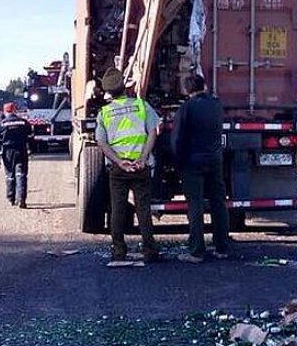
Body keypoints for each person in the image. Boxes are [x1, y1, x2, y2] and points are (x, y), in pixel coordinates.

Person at [96, 68, 160, 263]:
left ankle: (118, 250)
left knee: (118, 209)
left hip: (119, 168)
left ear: (108, 92)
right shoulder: (142, 106)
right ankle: (149, 250)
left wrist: (118, 161)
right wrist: (142, 158)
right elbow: (153, 132)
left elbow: (101, 142)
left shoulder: (104, 113)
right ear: (124, 87)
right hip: (141, 167)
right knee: (143, 209)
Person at [171, 74, 230, 263]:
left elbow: (178, 138)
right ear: (204, 86)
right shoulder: (216, 104)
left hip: (193, 162)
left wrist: (178, 162)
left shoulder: (186, 108)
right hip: (215, 160)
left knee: (195, 204)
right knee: (218, 202)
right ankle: (222, 247)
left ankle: (196, 251)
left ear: (187, 90)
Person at [0, 102, 33, 208]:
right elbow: (30, 137)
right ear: (15, 111)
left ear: (5, 112)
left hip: (8, 152)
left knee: (10, 176)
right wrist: (31, 150)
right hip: (21, 150)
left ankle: (11, 198)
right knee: (21, 175)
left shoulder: (1, 124)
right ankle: (22, 199)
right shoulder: (24, 122)